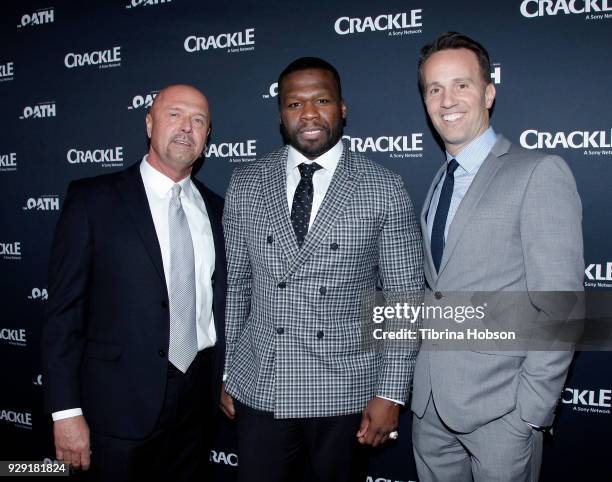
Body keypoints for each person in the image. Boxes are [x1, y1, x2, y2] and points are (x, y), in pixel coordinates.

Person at [220, 57, 423, 482]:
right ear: (280, 114)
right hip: (261, 382)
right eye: (294, 104)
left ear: (342, 108)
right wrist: (228, 371)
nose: (309, 113)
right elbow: (237, 284)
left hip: (346, 390)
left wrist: (390, 392)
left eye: (322, 100)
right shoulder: (246, 181)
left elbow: (404, 301)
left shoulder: (383, 187)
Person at [411, 32, 584, 481]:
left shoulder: (537, 172)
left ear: (488, 92)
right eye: (434, 88)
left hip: (501, 412)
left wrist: (529, 411)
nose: (447, 99)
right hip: (430, 408)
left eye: (461, 84)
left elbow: (562, 307)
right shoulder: (439, 180)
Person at [42, 84, 226, 481]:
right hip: (115, 407)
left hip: (197, 399)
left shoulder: (217, 209)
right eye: (174, 114)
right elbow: (63, 314)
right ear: (149, 123)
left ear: (207, 137)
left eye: (198, 121)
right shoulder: (93, 200)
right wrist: (65, 412)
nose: (186, 128)